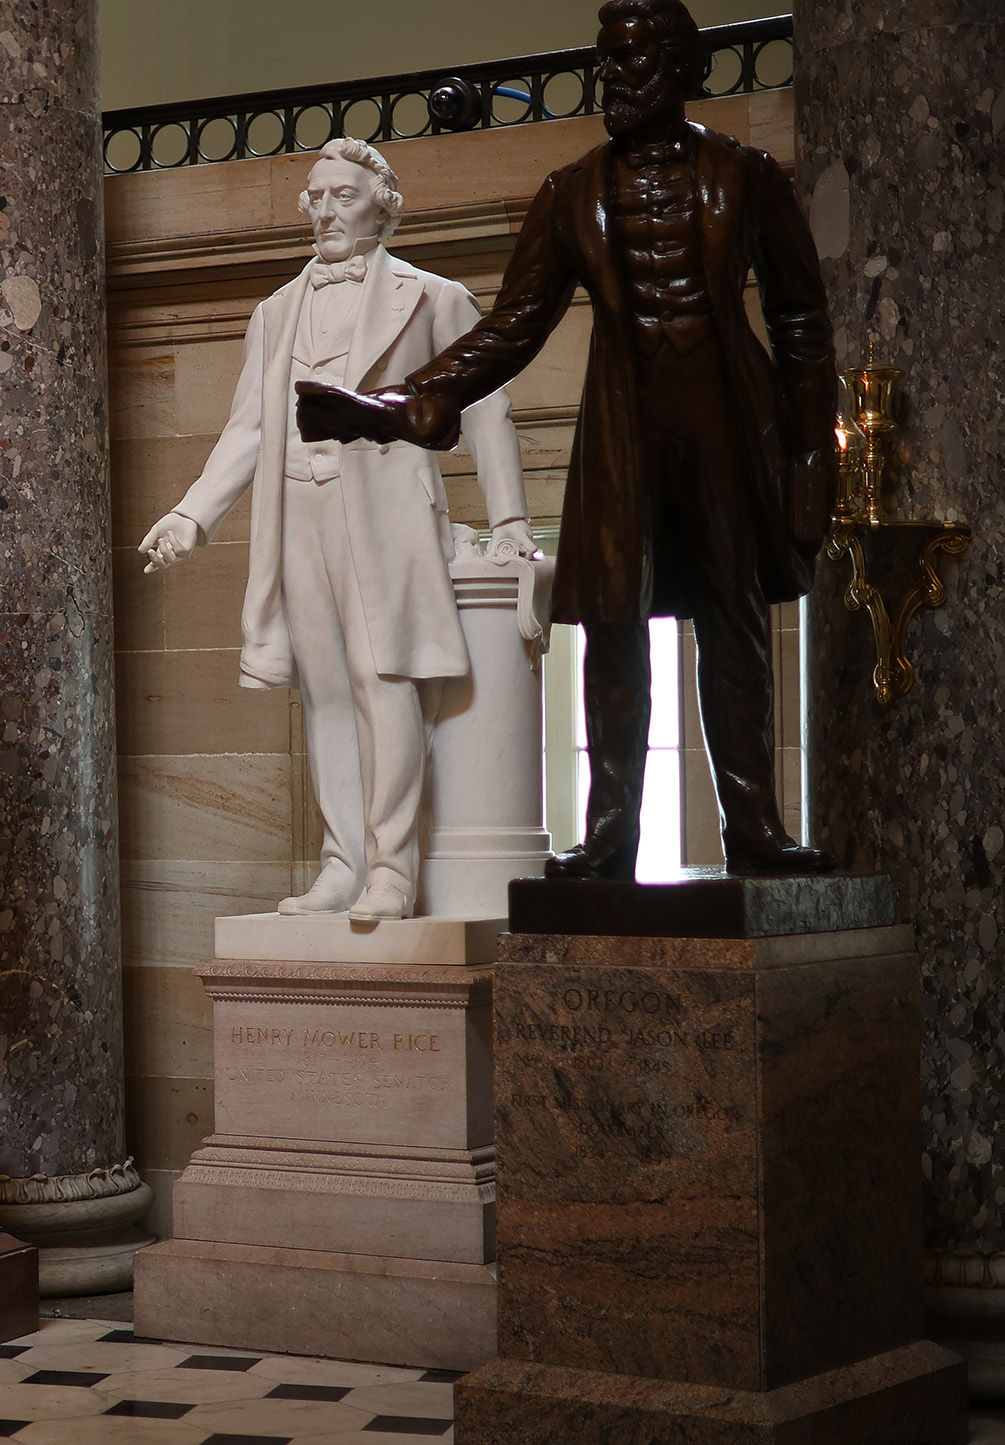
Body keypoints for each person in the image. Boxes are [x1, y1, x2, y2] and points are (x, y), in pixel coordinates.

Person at [295, 0, 837, 878]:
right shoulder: (571, 191)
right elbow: (511, 328)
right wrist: (404, 398)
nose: (615, 79)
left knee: (734, 625)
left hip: (729, 422)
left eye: (635, 61)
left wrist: (815, 457)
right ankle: (611, 832)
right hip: (625, 427)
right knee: (615, 625)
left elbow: (803, 320)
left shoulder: (746, 176)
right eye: (607, 60)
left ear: (683, 70)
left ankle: (755, 829)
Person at [141, 138, 536, 920]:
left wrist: (513, 517)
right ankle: (341, 863)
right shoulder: (275, 311)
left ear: (382, 203)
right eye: (315, 196)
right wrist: (193, 513)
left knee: (381, 679)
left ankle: (390, 869)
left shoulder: (433, 297)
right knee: (322, 690)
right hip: (299, 512)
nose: (324, 209)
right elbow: (249, 427)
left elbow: (488, 408)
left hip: (384, 513)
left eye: (341, 195)